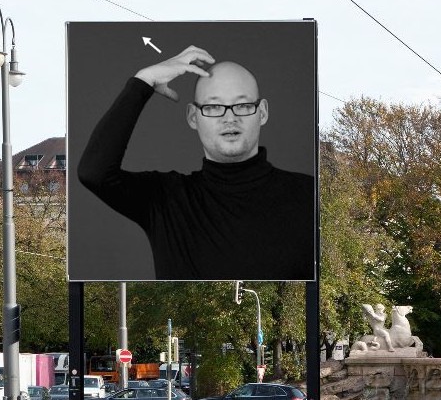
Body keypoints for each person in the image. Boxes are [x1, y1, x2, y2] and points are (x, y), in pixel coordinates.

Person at [78, 46, 315, 280]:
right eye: (213, 107)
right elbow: (94, 172)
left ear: (262, 112)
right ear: (193, 117)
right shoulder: (165, 200)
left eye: (242, 105)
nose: (229, 118)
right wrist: (143, 80)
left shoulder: (309, 196)